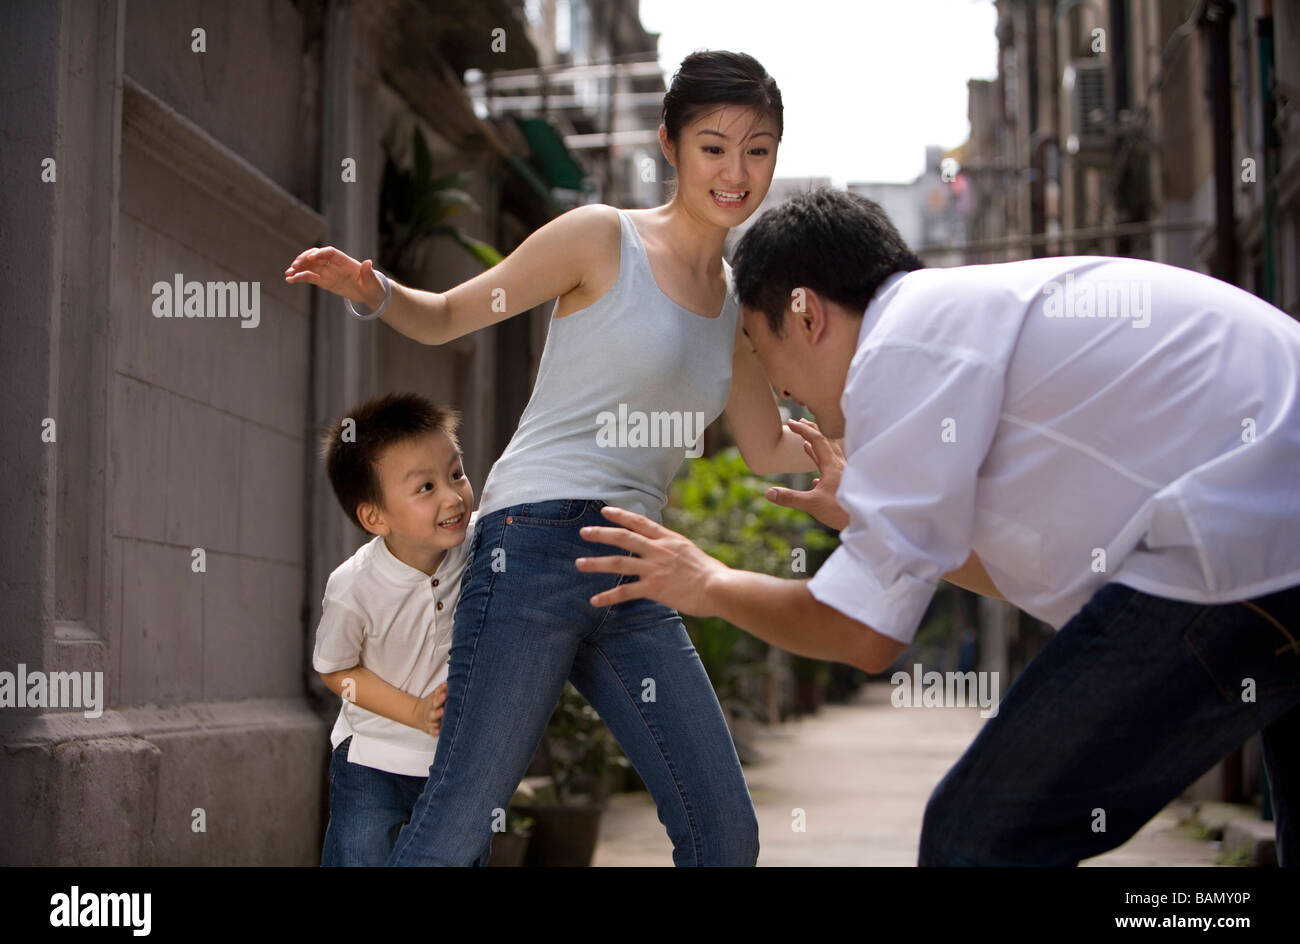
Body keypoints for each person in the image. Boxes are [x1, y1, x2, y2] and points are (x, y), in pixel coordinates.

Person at [576, 187, 1300, 866]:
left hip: (1243, 536)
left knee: (974, 834)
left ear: (805, 313)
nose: (779, 387)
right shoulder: (947, 329)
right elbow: (1001, 571)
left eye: (765, 356)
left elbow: (862, 634)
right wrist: (870, 518)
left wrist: (708, 582)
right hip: (1267, 533)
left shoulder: (902, 347)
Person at [286, 51, 817, 866]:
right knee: (457, 824)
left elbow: (769, 443)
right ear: (671, 147)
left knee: (724, 834)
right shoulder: (601, 239)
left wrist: (866, 447)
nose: (736, 171)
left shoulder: (736, 306)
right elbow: (451, 315)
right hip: (532, 543)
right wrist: (377, 292)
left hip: (638, 564)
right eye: (714, 146)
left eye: (759, 148)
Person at [314, 393, 477, 866]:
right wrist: (414, 711)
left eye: (456, 473)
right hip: (373, 757)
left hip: (451, 763)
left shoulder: (480, 547)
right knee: (360, 856)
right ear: (375, 517)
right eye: (425, 488)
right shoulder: (354, 587)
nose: (452, 497)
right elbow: (335, 672)